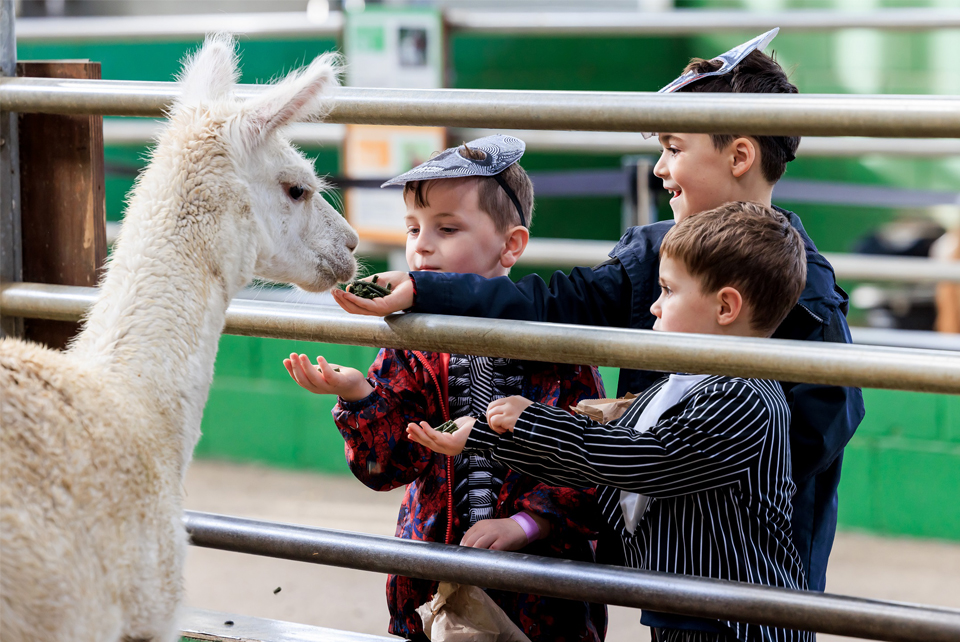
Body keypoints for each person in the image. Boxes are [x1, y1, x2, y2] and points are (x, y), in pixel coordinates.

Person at [332, 35, 866, 605]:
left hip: (752, 559)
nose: (659, 167)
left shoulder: (801, 287)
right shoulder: (652, 254)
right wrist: (425, 288)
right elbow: (556, 304)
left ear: (738, 157)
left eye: (673, 147)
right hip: (668, 542)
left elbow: (826, 414)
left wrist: (681, 455)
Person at [408, 202, 814, 642]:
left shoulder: (743, 395)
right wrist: (487, 438)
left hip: (741, 623)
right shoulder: (675, 386)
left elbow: (642, 461)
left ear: (726, 307)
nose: (655, 308)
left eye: (668, 291)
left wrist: (530, 424)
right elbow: (596, 468)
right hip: (683, 610)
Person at [284, 135, 607, 642]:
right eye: (413, 228)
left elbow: (585, 458)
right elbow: (388, 469)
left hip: (539, 597)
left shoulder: (555, 341)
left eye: (447, 228)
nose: (422, 245)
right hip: (428, 584)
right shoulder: (407, 339)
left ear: (511, 244)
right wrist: (358, 397)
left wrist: (527, 524)